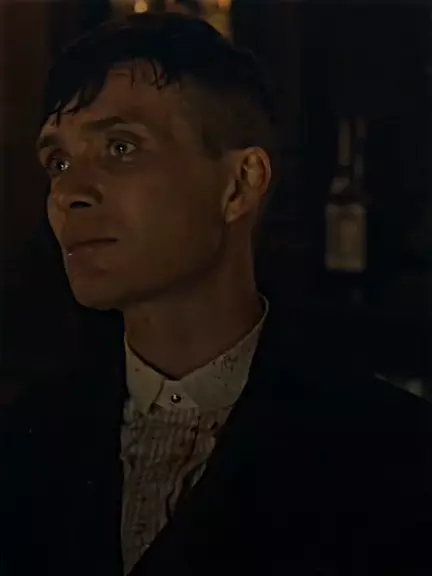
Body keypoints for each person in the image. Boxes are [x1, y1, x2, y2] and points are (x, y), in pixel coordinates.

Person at [1, 12, 432, 576]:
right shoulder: (24, 442)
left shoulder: (390, 454)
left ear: (239, 184)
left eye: (121, 147)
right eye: (58, 162)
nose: (69, 193)